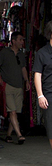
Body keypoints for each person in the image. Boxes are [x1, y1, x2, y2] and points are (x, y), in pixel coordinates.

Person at [0, 31, 30, 144]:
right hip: (8, 85)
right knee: (13, 111)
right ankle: (19, 135)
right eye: (20, 40)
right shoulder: (5, 52)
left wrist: (26, 81)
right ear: (13, 41)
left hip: (19, 86)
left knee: (15, 111)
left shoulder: (21, 54)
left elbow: (23, 68)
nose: (22, 42)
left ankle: (9, 135)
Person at [33, 20, 52, 149]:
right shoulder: (42, 53)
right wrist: (40, 96)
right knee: (51, 129)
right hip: (49, 95)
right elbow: (37, 75)